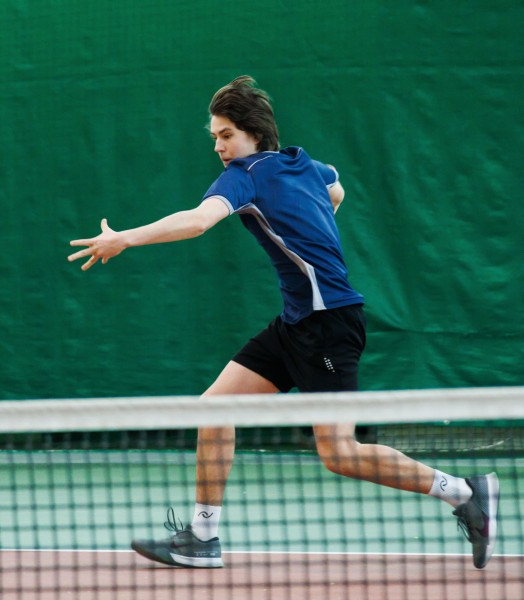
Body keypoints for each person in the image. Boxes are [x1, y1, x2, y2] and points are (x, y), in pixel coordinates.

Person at [67, 76, 498, 570]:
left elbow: (198, 221)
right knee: (214, 409)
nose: (218, 146)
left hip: (328, 326)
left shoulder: (244, 175)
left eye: (226, 135)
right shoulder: (304, 163)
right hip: (297, 322)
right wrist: (312, 224)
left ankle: (464, 493)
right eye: (215, 137)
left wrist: (126, 238)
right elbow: (336, 189)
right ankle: (203, 537)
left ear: (253, 133)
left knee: (340, 453)